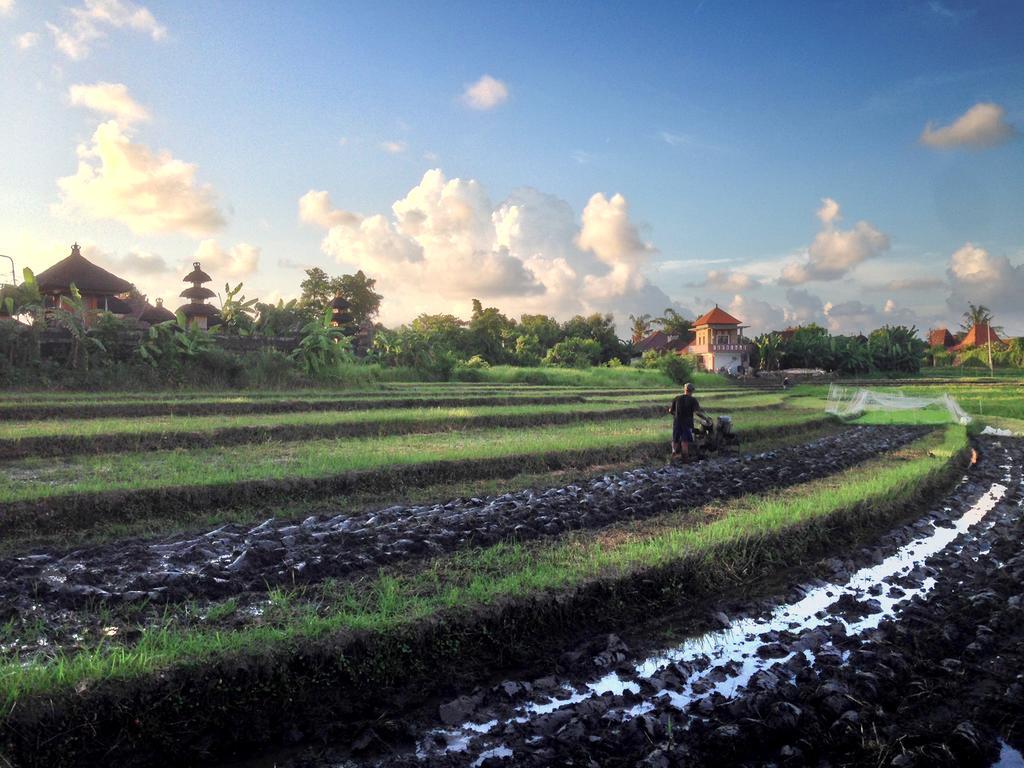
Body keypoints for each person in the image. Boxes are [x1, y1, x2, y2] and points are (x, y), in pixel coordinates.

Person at [668, 382, 711, 462]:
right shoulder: (693, 400)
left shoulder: (677, 398)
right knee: (685, 441)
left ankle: (673, 453)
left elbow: (670, 411)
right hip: (687, 423)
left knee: (675, 439)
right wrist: (705, 418)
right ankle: (685, 458)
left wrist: (676, 414)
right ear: (692, 391)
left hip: (677, 421)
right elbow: (697, 412)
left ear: (685, 390)